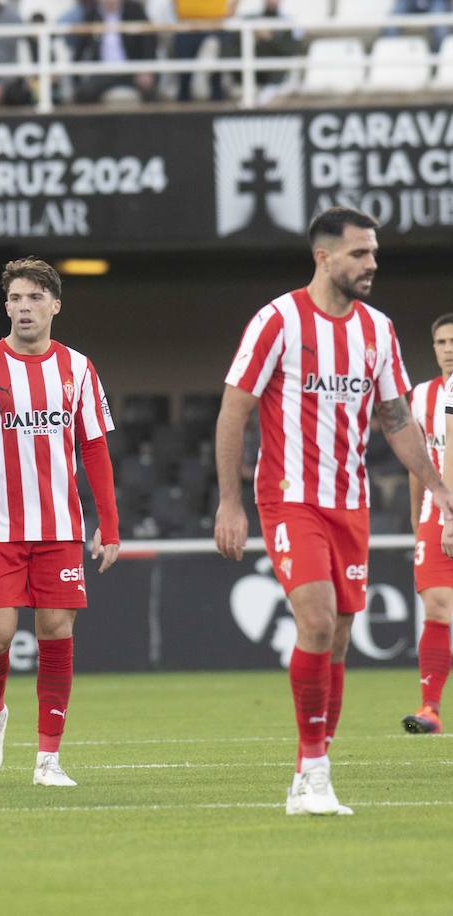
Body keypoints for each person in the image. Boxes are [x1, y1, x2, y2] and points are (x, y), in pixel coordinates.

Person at [215, 207, 453, 816]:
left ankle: (306, 770)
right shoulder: (278, 320)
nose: (372, 264)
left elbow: (397, 421)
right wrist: (229, 504)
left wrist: (438, 487)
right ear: (324, 256)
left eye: (374, 253)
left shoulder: (378, 329)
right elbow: (234, 410)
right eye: (360, 254)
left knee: (339, 638)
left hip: (352, 504)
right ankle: (317, 775)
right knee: (317, 622)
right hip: (291, 498)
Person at [0, 258, 120, 788]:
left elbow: (94, 448)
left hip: (60, 529)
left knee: (56, 632)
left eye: (35, 298)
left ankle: (48, 760)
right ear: (6, 306)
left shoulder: (79, 369)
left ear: (55, 305)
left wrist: (108, 524)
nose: (25, 307)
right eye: (16, 298)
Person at [403, 313, 453, 734]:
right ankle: (430, 709)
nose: (449, 348)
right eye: (441, 342)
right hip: (437, 516)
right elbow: (417, 464)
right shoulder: (420, 397)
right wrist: (416, 517)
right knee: (436, 607)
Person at [69, 0, 158, 104]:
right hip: (102, 73)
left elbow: (149, 42)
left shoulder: (134, 10)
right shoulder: (92, 14)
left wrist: (146, 70)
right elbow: (79, 48)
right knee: (83, 94)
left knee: (150, 94)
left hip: (131, 70)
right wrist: (76, 79)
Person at [171, 0, 236, 102]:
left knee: (216, 78)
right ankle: (183, 107)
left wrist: (229, 11)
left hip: (215, 26)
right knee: (184, 76)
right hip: (187, 26)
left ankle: (216, 105)